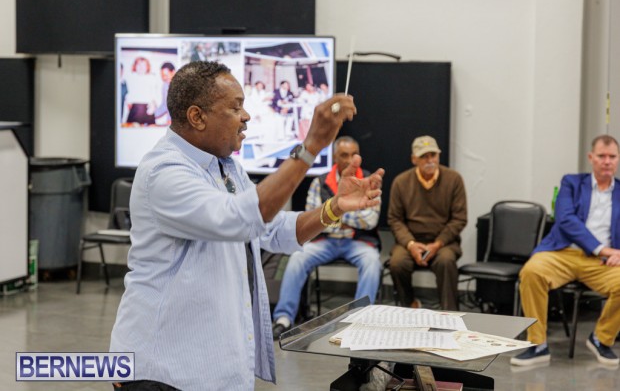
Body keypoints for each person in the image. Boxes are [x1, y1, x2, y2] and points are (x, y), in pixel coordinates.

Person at [109, 61, 384, 390]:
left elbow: (274, 229)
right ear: (197, 117)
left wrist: (335, 206)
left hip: (209, 368)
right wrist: (310, 146)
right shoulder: (164, 172)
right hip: (162, 371)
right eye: (235, 107)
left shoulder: (226, 167)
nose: (247, 116)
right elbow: (239, 218)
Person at [511, 134, 620, 367]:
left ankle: (601, 339)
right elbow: (566, 220)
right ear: (591, 157)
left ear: (618, 159)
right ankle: (537, 344)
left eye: (612, 156)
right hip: (562, 253)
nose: (607, 161)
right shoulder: (572, 183)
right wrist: (602, 249)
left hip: (601, 263)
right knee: (532, 272)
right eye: (601, 156)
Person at [271, 136, 383, 338]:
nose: (349, 160)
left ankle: (360, 320)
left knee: (372, 262)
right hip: (325, 242)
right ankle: (283, 318)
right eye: (344, 155)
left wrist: (330, 216)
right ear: (335, 157)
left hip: (358, 242)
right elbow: (310, 218)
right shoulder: (319, 182)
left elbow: (370, 220)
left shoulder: (369, 181)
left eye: (354, 155)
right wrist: (344, 215)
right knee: (297, 257)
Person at [387, 135, 467, 311]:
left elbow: (459, 218)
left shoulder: (454, 179)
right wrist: (411, 244)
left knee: (446, 261)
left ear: (439, 155)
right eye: (424, 156)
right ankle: (409, 306)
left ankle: (450, 314)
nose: (430, 160)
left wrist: (437, 244)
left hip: (443, 242)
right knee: (397, 263)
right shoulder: (401, 182)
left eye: (433, 155)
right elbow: (395, 219)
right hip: (411, 241)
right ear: (414, 159)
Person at [124, 56, 159, 125]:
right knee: (132, 128)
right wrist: (128, 102)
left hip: (148, 108)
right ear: (135, 66)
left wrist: (153, 105)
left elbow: (154, 94)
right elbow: (128, 94)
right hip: (135, 108)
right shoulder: (130, 77)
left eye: (144, 65)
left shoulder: (152, 78)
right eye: (139, 64)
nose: (141, 67)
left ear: (147, 67)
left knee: (149, 129)